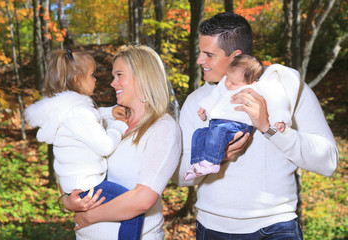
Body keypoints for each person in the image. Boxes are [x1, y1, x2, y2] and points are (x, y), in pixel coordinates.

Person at [173, 12, 339, 239]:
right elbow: (181, 178)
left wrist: (269, 128)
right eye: (200, 52)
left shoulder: (284, 90)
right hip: (212, 229)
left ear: (235, 57)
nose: (200, 60)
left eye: (209, 54)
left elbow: (328, 161)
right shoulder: (197, 102)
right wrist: (217, 156)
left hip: (276, 228)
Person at [60, 44, 182, 239]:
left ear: (142, 77)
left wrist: (89, 216)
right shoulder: (105, 121)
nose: (112, 83)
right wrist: (66, 201)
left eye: (119, 75)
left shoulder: (163, 128)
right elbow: (68, 165)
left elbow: (143, 199)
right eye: (112, 76)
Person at [24, 49, 144, 240]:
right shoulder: (78, 113)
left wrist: (109, 112)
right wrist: (119, 126)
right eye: (92, 74)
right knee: (133, 208)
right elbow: (105, 146)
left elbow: (89, 117)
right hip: (88, 186)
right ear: (78, 80)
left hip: (76, 186)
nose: (96, 79)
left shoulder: (66, 110)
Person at [185, 54, 300, 180]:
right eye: (227, 78)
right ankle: (198, 163)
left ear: (252, 82)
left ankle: (211, 162)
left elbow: (276, 99)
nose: (228, 84)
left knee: (218, 132)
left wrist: (279, 118)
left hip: (237, 124)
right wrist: (204, 107)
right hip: (217, 122)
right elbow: (215, 94)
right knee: (199, 133)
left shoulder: (257, 87)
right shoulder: (226, 82)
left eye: (233, 83)